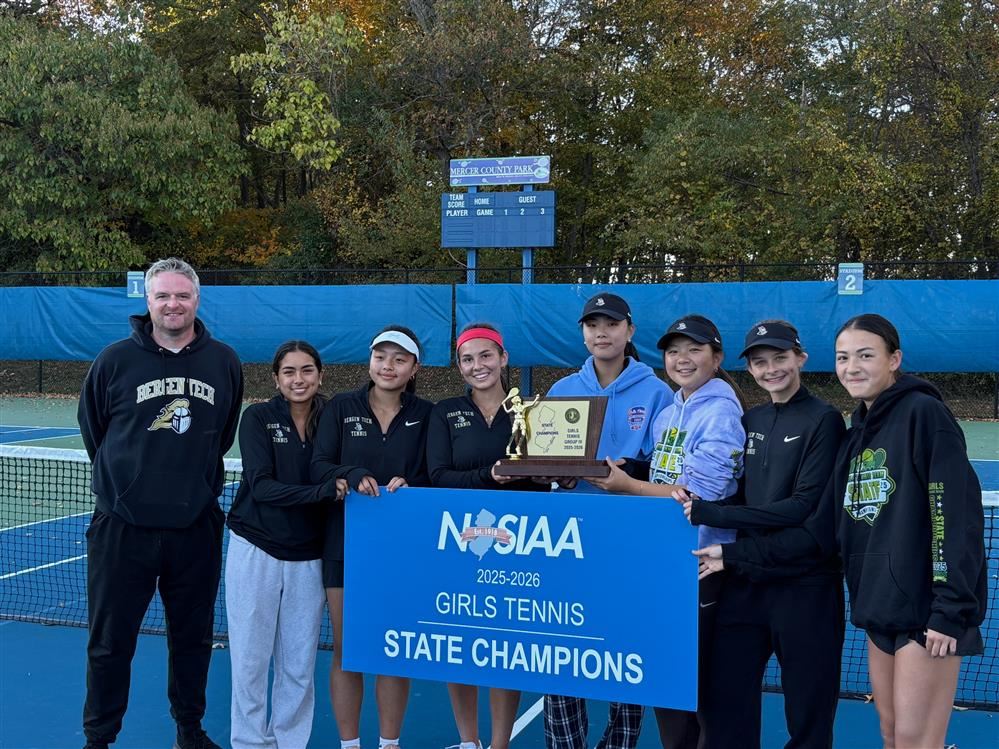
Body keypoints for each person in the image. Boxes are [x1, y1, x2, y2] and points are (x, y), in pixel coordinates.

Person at [77, 257, 244, 749]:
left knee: (192, 640)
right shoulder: (113, 361)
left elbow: (222, 433)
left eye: (183, 296)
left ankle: (189, 732)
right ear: (147, 301)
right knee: (109, 644)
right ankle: (99, 739)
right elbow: (96, 432)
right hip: (121, 529)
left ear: (197, 299)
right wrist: (126, 489)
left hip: (195, 528)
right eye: (163, 296)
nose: (173, 304)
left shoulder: (225, 361)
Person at [676, 320, 846, 748]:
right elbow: (739, 494)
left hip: (806, 590)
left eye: (780, 359)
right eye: (760, 362)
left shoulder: (824, 420)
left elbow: (802, 509)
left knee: (808, 717)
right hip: (747, 584)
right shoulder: (749, 418)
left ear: (800, 358)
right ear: (749, 369)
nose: (771, 369)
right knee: (723, 708)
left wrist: (710, 515)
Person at [831, 314, 986, 749]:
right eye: (843, 358)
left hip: (928, 614)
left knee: (918, 742)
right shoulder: (857, 429)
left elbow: (955, 515)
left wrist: (949, 609)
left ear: (894, 359)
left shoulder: (925, 414)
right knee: (891, 733)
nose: (852, 367)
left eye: (866, 355)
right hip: (879, 608)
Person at [591, 313, 745, 749]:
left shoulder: (720, 410)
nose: (681, 359)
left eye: (694, 349)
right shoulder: (672, 409)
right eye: (674, 351)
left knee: (699, 692)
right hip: (665, 564)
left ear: (716, 358)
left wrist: (628, 485)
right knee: (666, 685)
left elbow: (701, 495)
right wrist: (635, 468)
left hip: (701, 569)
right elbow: (666, 471)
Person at [543, 292, 672, 749]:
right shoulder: (560, 391)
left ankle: (619, 743)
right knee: (560, 646)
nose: (602, 332)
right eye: (593, 324)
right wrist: (551, 476)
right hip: (569, 540)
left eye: (612, 324)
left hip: (630, 540)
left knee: (624, 649)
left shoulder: (658, 391)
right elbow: (548, 461)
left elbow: (665, 467)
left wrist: (631, 472)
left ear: (630, 331)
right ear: (582, 332)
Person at [427, 323, 549, 749]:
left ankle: (500, 743)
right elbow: (437, 476)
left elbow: (540, 481)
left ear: (503, 359)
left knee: (505, 647)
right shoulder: (443, 413)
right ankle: (468, 741)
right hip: (460, 542)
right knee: (458, 647)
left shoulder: (531, 412)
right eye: (467, 359)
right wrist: (489, 475)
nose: (477, 366)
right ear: (458, 366)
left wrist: (556, 478)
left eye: (485, 356)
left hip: (515, 545)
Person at [311, 325, 433, 749]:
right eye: (381, 356)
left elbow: (432, 474)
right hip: (344, 544)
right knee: (348, 647)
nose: (388, 365)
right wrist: (354, 473)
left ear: (414, 367)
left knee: (393, 647)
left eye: (399, 359)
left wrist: (411, 483)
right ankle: (349, 744)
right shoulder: (341, 408)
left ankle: (389, 743)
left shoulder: (426, 414)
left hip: (402, 550)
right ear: (370, 361)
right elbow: (320, 464)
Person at [225, 341, 347, 749]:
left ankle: (290, 742)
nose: (299, 379)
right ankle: (249, 742)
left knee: (298, 663)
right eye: (290, 372)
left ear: (320, 374)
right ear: (276, 379)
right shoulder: (257, 417)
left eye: (307, 370)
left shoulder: (333, 418)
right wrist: (322, 493)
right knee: (249, 659)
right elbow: (261, 486)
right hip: (256, 548)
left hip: (308, 556)